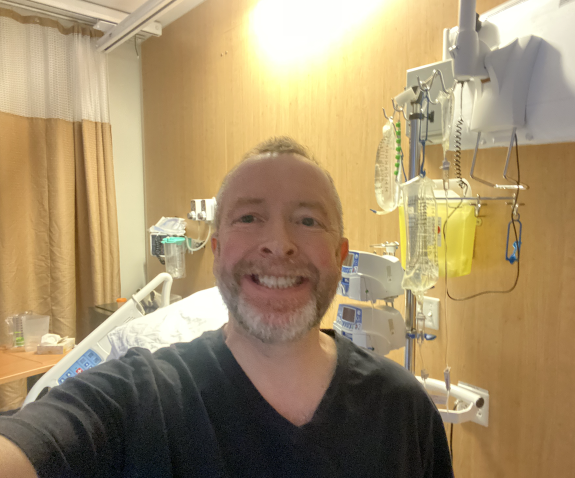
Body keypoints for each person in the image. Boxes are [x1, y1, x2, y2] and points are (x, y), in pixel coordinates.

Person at [0, 137, 453, 477]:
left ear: (340, 255)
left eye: (308, 220)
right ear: (216, 250)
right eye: (249, 217)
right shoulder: (138, 402)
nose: (279, 244)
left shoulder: (404, 410)